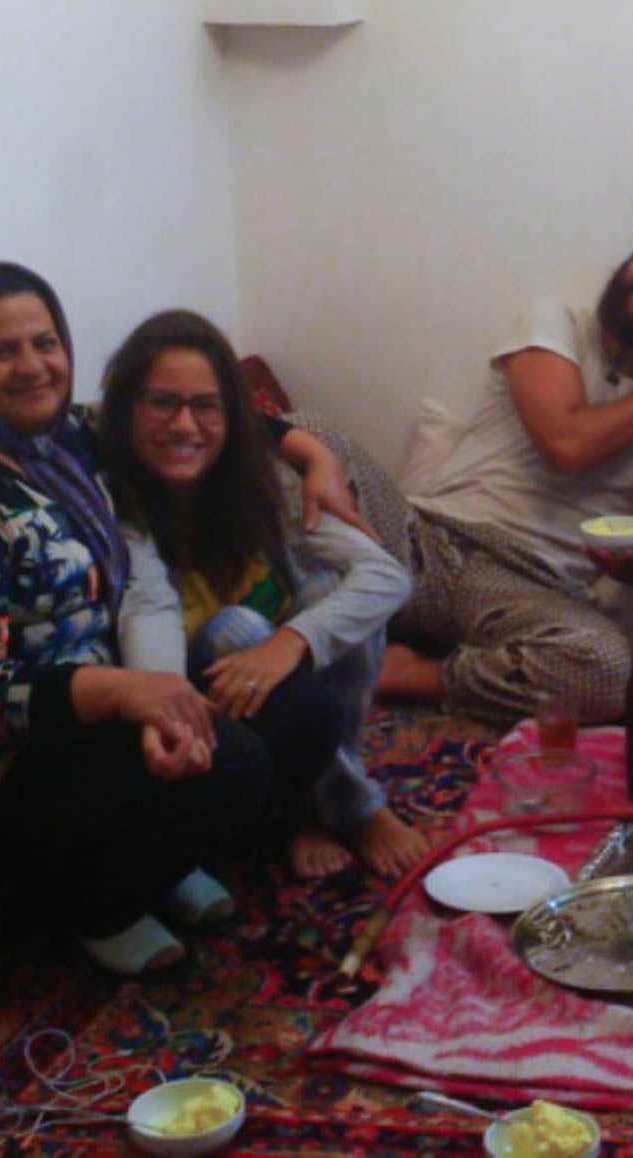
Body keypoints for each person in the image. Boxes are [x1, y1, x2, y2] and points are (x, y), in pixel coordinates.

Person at [0, 263, 359, 976]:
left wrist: (310, 451)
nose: (33, 367)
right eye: (2, 353)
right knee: (235, 758)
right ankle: (94, 901)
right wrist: (121, 694)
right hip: (12, 771)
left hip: (117, 710)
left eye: (46, 343)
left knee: (302, 709)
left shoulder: (68, 441)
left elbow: (204, 419)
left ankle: (158, 863)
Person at [100, 310, 423, 880]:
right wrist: (165, 706)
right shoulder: (123, 507)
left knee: (332, 591)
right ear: (126, 410)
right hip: (208, 699)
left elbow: (386, 576)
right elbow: (148, 608)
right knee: (237, 629)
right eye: (161, 402)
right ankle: (352, 807)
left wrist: (293, 641)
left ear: (232, 418)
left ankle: (312, 803)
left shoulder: (261, 484)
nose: (184, 424)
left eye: (205, 405)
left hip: (280, 685)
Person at [376, 215, 633, 724]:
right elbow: (566, 444)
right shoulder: (555, 322)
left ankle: (412, 673)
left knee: (615, 672)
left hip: (529, 589)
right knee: (309, 439)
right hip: (428, 541)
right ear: (631, 262)